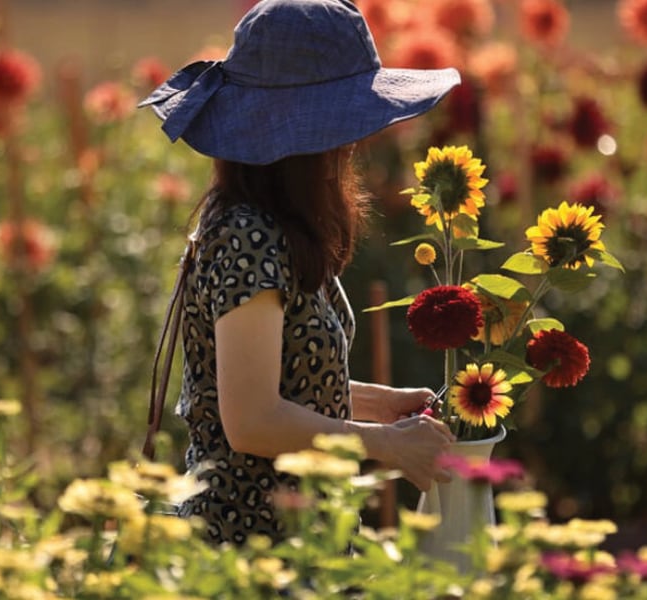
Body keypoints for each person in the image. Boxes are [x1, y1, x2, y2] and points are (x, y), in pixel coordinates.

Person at [139, 0, 460, 546]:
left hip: (300, 541)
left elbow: (283, 384)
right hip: (252, 553)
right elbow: (253, 419)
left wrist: (380, 406)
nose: (352, 145)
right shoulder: (248, 237)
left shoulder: (272, 228)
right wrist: (385, 445)